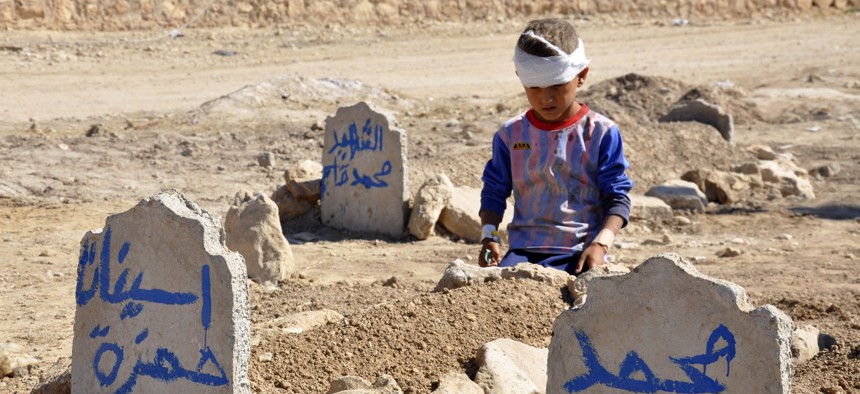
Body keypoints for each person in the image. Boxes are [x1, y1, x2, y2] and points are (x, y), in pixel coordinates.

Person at [478, 18, 633, 275]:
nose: (545, 98)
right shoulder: (510, 135)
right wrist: (489, 237)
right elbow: (494, 191)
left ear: (581, 76)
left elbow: (616, 196)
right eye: (534, 88)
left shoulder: (601, 133)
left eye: (557, 86)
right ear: (521, 79)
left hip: (581, 253)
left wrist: (601, 244)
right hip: (522, 253)